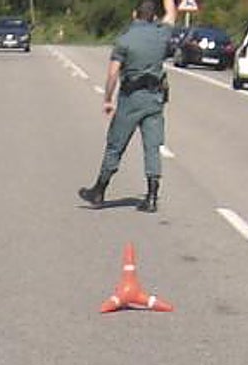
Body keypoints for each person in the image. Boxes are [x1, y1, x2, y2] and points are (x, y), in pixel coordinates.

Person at [78, 0, 178, 213]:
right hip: (154, 98)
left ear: (135, 15)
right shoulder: (162, 34)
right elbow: (171, 12)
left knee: (116, 145)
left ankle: (99, 190)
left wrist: (107, 99)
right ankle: (151, 197)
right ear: (153, 17)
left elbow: (113, 73)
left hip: (131, 99)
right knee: (152, 146)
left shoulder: (125, 40)